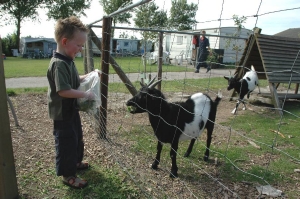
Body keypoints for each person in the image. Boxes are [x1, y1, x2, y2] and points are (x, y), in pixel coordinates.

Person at [47, 16, 100, 189]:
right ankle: (67, 175)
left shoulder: (68, 61)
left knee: (77, 137)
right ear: (64, 41)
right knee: (66, 142)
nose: (80, 49)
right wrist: (86, 94)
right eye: (78, 45)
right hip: (62, 113)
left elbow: (74, 79)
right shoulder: (58, 64)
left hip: (71, 110)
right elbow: (63, 91)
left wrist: (90, 75)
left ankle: (75, 163)